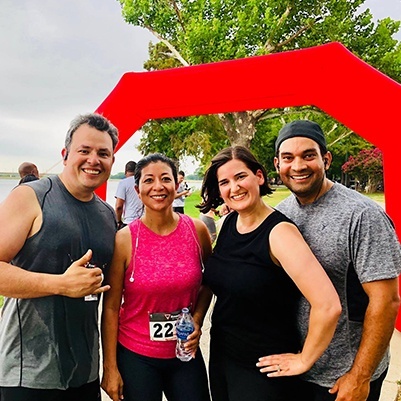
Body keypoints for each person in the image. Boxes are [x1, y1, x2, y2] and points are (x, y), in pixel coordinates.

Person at [198, 146, 341, 401]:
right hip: (223, 357)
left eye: (241, 176)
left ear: (259, 177)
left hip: (263, 368)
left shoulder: (280, 233)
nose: (234, 188)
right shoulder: (230, 223)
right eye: (224, 182)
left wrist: (304, 359)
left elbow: (328, 305)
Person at [272, 119, 401, 401]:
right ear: (276, 164)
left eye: (309, 155)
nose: (298, 166)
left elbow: (387, 300)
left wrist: (360, 375)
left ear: (326, 159)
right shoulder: (280, 214)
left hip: (342, 377)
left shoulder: (362, 215)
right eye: (288, 158)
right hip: (294, 368)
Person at [0, 113, 119, 401]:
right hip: (27, 374)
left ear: (112, 161)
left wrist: (109, 367)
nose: (94, 159)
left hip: (84, 373)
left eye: (103, 153)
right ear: (65, 155)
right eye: (84, 151)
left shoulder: (106, 214)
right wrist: (60, 284)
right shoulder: (30, 197)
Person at [101, 153, 212, 401]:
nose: (158, 186)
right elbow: (110, 307)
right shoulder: (124, 239)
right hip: (136, 355)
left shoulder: (197, 231)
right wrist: (110, 368)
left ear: (176, 185)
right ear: (138, 190)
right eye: (149, 180)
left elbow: (210, 283)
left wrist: (197, 319)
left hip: (185, 354)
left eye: (165, 179)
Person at [114, 160, 143, 229]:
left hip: (129, 222)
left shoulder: (123, 183)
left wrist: (118, 221)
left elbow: (119, 206)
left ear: (125, 172)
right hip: (143, 222)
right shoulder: (142, 182)